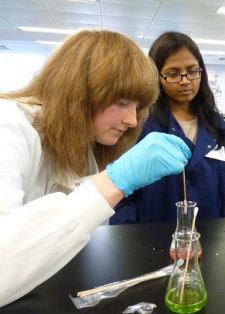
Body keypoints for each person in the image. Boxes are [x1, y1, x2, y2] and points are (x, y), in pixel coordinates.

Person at [0, 30, 191, 307]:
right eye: (122, 102)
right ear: (77, 91)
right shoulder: (8, 125)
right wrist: (112, 183)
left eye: (138, 106)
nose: (132, 120)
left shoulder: (83, 143)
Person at [110, 31, 225, 224]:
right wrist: (130, 238)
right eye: (173, 74)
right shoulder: (140, 126)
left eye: (192, 71)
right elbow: (122, 193)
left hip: (214, 237)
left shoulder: (216, 125)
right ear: (156, 76)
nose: (185, 80)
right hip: (155, 238)